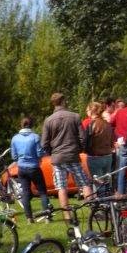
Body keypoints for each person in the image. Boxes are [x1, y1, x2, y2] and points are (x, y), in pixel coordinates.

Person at [41, 93, 90, 221]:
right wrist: (79, 149)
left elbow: (44, 143)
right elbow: (83, 137)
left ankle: (67, 216)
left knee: (61, 187)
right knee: (84, 183)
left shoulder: (48, 120)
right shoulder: (74, 116)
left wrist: (53, 152)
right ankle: (93, 210)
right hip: (73, 155)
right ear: (63, 101)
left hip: (58, 158)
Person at [10, 117, 50, 223]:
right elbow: (39, 153)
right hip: (34, 167)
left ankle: (29, 218)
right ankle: (47, 217)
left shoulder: (15, 138)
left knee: (26, 193)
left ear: (21, 125)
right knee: (42, 192)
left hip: (22, 168)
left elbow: (14, 156)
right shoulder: (35, 137)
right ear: (31, 125)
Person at [83, 101, 116, 197]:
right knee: (107, 182)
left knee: (99, 184)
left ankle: (103, 206)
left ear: (92, 111)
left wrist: (84, 150)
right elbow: (111, 141)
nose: (86, 111)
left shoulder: (90, 124)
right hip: (108, 156)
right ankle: (109, 204)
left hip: (95, 157)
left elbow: (86, 142)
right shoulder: (107, 124)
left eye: (88, 109)